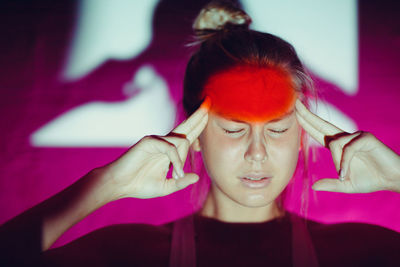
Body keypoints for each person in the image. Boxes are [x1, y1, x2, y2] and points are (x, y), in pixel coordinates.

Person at [1, 1, 400, 266]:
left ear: (302, 131)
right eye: (232, 128)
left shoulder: (353, 252)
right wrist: (105, 184)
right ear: (194, 129)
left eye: (277, 128)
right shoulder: (136, 254)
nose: (257, 153)